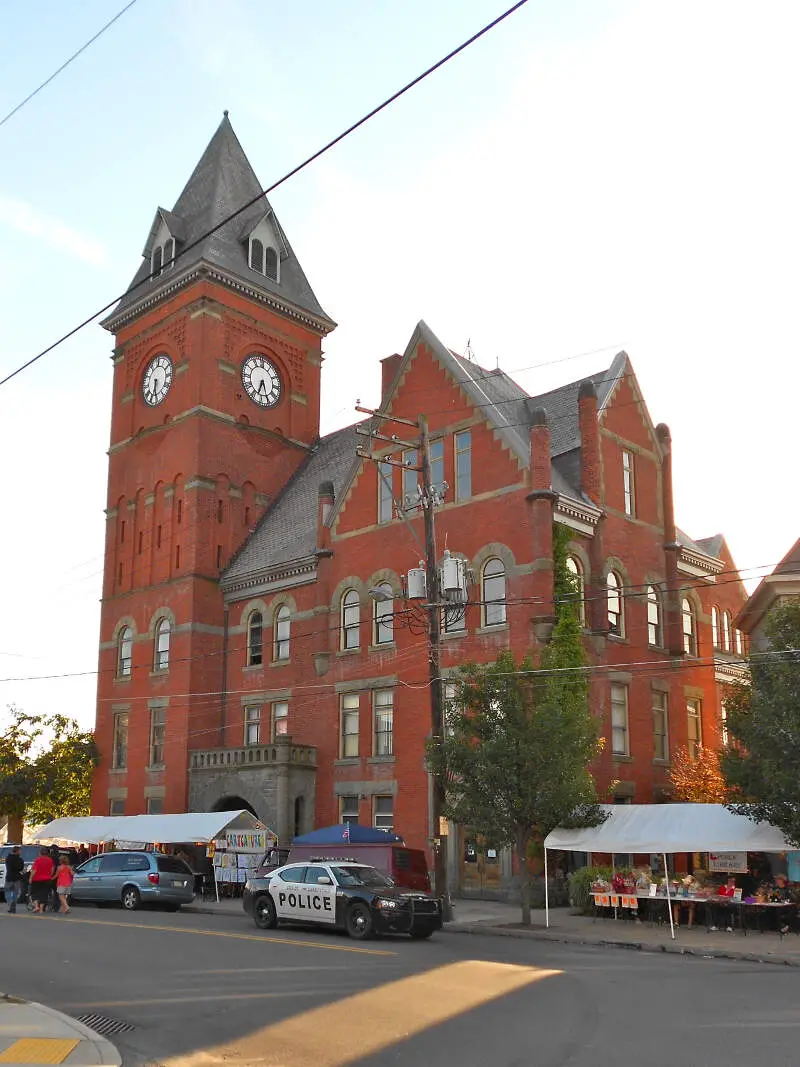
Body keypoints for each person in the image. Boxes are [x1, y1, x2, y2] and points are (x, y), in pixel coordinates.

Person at [28, 848, 56, 915]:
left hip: (36, 879)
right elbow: (52, 869)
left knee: (34, 893)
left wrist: (30, 878)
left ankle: (36, 906)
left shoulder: (37, 860)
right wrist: (49, 875)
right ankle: (41, 909)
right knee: (44, 894)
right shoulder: (50, 860)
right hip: (47, 879)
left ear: (40, 853)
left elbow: (34, 870)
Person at [4, 846, 24, 914]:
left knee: (7, 892)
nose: (21, 852)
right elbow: (21, 868)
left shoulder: (8, 858)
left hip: (9, 877)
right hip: (17, 878)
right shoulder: (20, 859)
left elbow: (8, 867)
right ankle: (13, 907)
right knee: (15, 893)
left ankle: (10, 904)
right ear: (17, 851)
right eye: (20, 851)